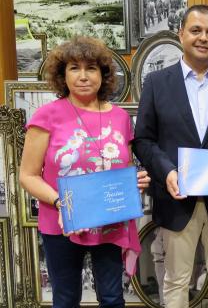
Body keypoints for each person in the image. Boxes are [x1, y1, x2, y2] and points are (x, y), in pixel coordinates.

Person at [133, 4, 208, 308]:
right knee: (175, 280)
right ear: (181, 34)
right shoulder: (157, 83)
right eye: (196, 30)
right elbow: (143, 140)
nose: (203, 37)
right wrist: (167, 172)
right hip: (176, 198)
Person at [18, 36, 151, 308]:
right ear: (62, 75)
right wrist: (61, 203)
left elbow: (123, 166)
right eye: (74, 68)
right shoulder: (46, 116)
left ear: (103, 74)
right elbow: (28, 175)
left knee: (113, 298)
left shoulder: (121, 118)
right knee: (66, 299)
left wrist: (133, 181)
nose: (83, 76)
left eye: (91, 68)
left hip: (110, 222)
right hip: (61, 223)